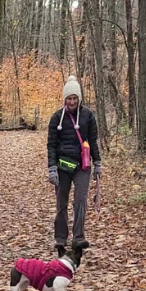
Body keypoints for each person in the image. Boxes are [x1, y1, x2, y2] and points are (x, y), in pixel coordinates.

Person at [47, 76, 101, 254]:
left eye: (74, 98)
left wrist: (98, 163)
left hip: (82, 166)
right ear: (65, 99)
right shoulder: (56, 118)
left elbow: (92, 141)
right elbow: (51, 144)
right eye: (69, 98)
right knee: (61, 202)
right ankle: (60, 238)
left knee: (80, 200)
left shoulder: (88, 116)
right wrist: (52, 168)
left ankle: (78, 237)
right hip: (62, 167)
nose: (72, 102)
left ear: (79, 99)